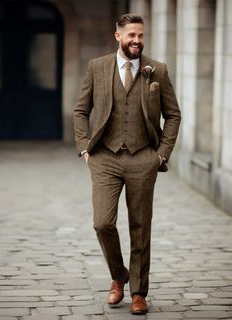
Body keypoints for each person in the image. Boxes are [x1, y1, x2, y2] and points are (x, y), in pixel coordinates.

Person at [74, 13, 181, 315]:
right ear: (117, 36)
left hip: (143, 158)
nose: (137, 40)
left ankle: (138, 292)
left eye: (141, 36)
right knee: (102, 222)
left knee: (140, 227)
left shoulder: (157, 71)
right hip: (105, 157)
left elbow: (173, 115)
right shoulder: (97, 67)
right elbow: (81, 110)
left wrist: (161, 154)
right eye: (131, 35)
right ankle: (119, 274)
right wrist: (84, 148)